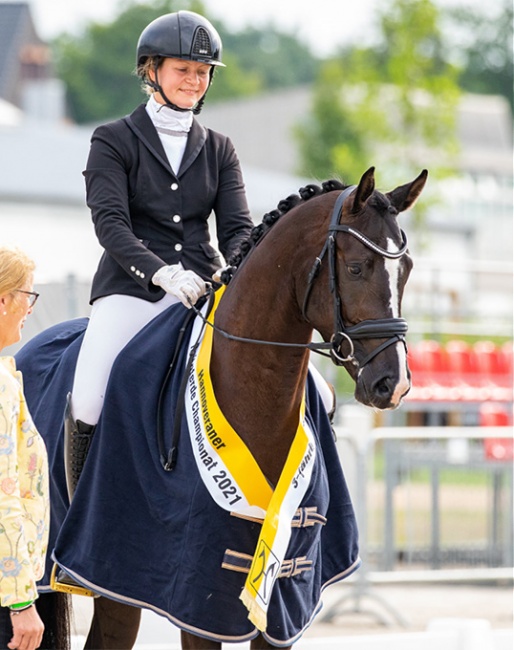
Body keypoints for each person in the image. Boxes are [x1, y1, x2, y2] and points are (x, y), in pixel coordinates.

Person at [54, 10, 254, 647]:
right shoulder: (112, 138)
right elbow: (109, 222)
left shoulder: (219, 147)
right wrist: (159, 272)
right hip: (132, 292)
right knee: (88, 393)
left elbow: (240, 230)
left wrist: (234, 276)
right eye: (183, 70)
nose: (193, 80)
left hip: (202, 291)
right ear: (152, 72)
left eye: (201, 72)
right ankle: (86, 530)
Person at [0, 246, 70, 650]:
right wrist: (23, 601)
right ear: (5, 299)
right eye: (28, 295)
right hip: (9, 594)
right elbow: (5, 496)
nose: (30, 307)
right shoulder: (3, 385)